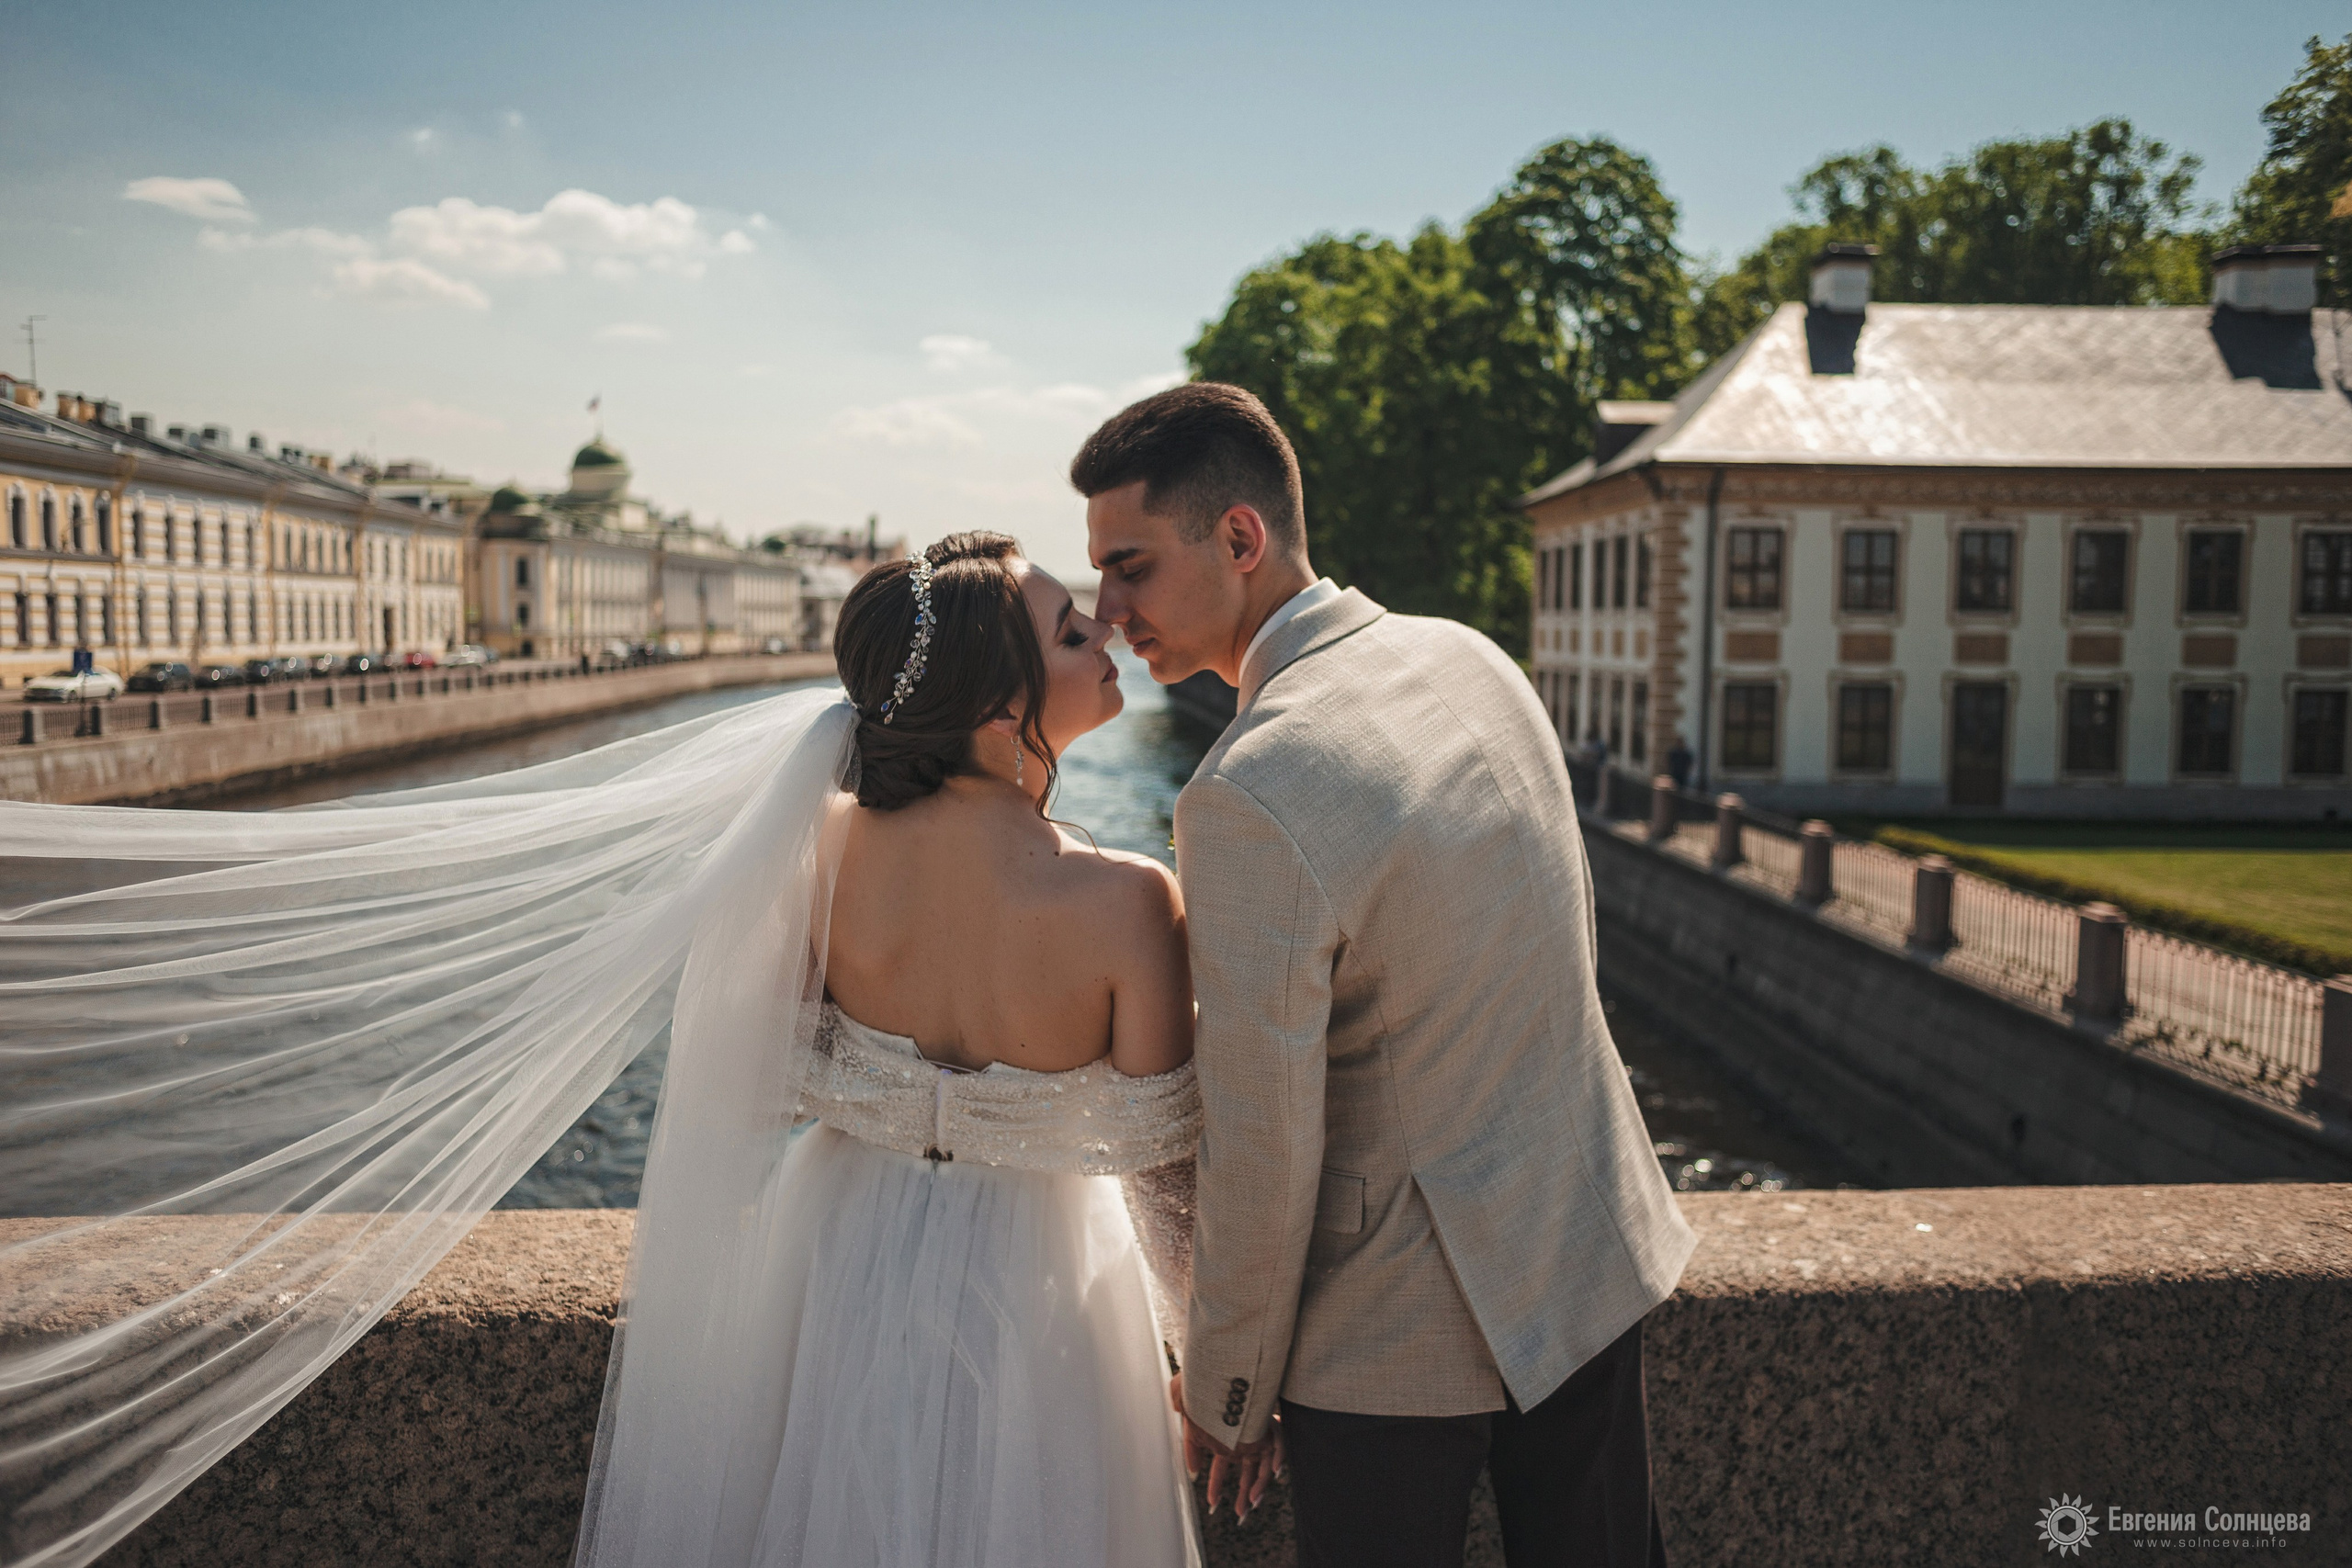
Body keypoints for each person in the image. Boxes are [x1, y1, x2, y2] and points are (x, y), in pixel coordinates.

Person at [0, 532, 1231, 1568]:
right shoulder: (1127, 904)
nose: (1109, 637)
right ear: (1000, 705)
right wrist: (1222, 1376)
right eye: (1074, 632)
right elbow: (1164, 1183)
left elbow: (748, 1087)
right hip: (1040, 1290)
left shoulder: (818, 854)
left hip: (838, 1258)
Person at [1073, 384, 1696, 1568]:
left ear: (1241, 538)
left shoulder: (1250, 789)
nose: (1108, 613)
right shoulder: (1472, 661)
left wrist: (1230, 1390)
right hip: (1582, 1243)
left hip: (1391, 1332)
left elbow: (1262, 1141)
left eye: (1132, 568)